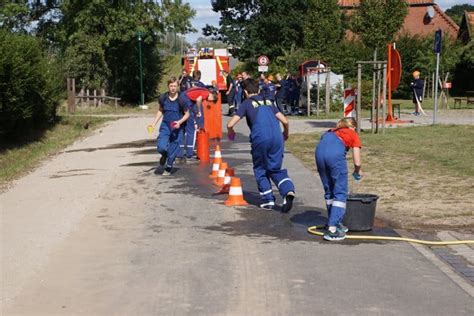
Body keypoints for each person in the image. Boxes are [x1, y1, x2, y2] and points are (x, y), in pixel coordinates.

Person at [227, 79, 296, 212]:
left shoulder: (246, 103)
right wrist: (285, 134)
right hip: (277, 137)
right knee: (275, 168)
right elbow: (285, 121)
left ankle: (268, 200)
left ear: (246, 92)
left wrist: (231, 134)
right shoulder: (269, 102)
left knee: (260, 168)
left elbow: (230, 124)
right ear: (258, 91)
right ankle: (288, 190)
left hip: (260, 138)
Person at [315, 117, 363, 241]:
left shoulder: (330, 132)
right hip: (335, 157)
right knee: (340, 192)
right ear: (352, 127)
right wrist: (357, 171)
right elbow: (357, 161)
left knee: (329, 190)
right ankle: (333, 229)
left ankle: (333, 220)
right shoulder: (352, 134)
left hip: (319, 155)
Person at [148, 77, 190, 175]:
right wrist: (153, 123)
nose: (173, 88)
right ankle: (164, 155)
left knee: (174, 147)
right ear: (168, 86)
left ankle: (168, 167)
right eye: (171, 86)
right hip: (165, 126)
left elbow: (187, 114)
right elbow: (160, 110)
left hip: (177, 127)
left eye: (175, 86)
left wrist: (179, 122)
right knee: (161, 147)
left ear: (178, 86)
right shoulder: (163, 98)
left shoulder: (182, 99)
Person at [178, 86, 218, 161]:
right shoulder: (206, 93)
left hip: (182, 97)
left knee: (182, 128)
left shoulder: (202, 90)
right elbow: (198, 100)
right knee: (191, 129)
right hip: (186, 100)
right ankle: (189, 154)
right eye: (212, 100)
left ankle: (179, 152)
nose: (209, 101)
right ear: (212, 95)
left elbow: (193, 99)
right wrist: (199, 111)